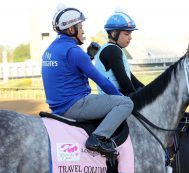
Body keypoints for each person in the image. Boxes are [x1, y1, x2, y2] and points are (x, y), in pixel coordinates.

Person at [42, 4, 134, 156]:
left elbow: (68, 68)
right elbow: (102, 82)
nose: (83, 30)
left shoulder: (50, 49)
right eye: (80, 26)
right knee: (126, 103)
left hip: (57, 107)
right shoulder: (74, 51)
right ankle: (97, 138)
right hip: (75, 105)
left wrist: (89, 56)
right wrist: (121, 97)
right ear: (71, 29)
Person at [94, 11, 144, 96]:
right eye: (126, 34)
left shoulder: (112, 49)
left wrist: (147, 90)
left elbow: (131, 78)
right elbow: (123, 80)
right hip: (114, 99)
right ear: (114, 34)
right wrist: (138, 98)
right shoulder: (112, 50)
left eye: (130, 33)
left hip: (114, 97)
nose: (130, 37)